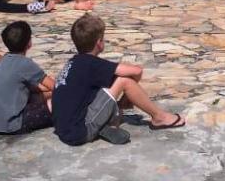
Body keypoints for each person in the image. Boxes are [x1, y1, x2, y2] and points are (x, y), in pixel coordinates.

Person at [51, 13, 185, 146]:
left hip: (63, 127)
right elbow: (137, 71)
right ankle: (159, 117)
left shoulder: (73, 63)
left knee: (107, 80)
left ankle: (106, 120)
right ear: (99, 43)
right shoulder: (91, 64)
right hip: (80, 132)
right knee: (124, 80)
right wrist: (125, 100)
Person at [0, 21, 54, 135]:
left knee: (38, 95)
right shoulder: (24, 63)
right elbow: (56, 86)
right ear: (29, 43)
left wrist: (48, 91)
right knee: (55, 103)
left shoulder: (4, 60)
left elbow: (33, 88)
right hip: (13, 124)